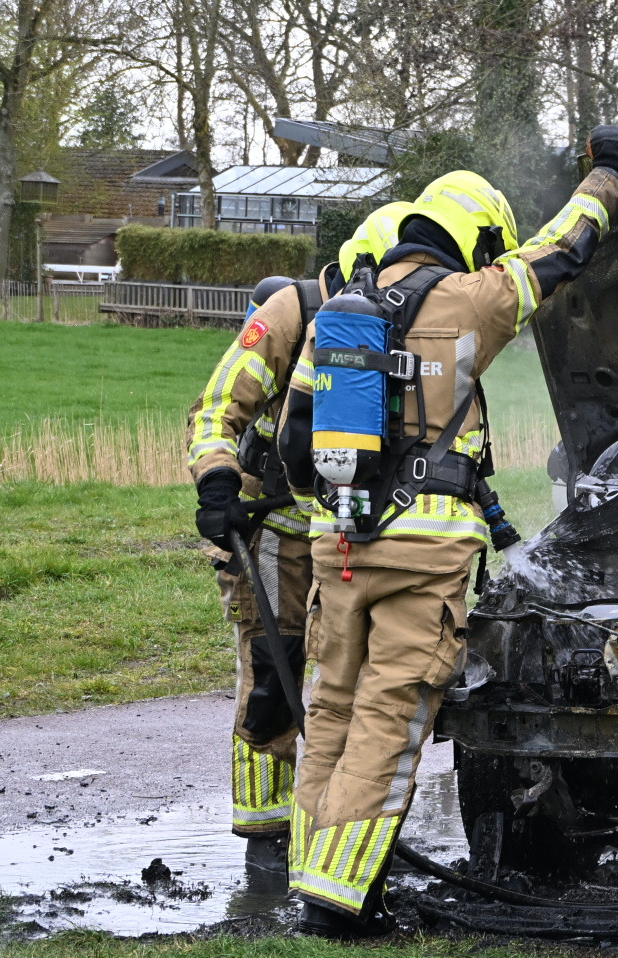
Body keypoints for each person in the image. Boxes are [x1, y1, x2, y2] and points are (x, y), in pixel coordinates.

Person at [275, 127, 618, 938]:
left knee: (330, 705)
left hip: (338, 547)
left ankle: (314, 873)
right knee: (390, 714)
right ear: (474, 240)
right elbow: (565, 248)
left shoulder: (340, 312)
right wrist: (611, 172)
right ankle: (341, 903)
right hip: (425, 555)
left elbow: (292, 454)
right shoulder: (472, 303)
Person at [185, 201, 415, 875]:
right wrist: (217, 481)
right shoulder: (292, 309)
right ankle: (267, 840)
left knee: (357, 684)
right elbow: (217, 408)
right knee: (270, 676)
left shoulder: (407, 318)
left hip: (357, 534)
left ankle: (342, 826)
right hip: (276, 528)